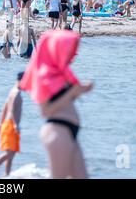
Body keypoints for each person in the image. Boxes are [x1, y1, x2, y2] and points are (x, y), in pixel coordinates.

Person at [20, 30, 94, 179]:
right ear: (57, 49)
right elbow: (45, 111)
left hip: (69, 131)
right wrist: (72, 93)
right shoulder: (44, 74)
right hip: (57, 131)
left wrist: (80, 91)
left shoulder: (61, 72)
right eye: (68, 49)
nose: (72, 53)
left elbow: (66, 99)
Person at [0, 72, 24, 179]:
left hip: (8, 124)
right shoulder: (16, 93)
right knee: (9, 153)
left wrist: (1, 123)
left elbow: (5, 107)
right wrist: (16, 125)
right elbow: (11, 110)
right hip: (11, 125)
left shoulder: (12, 91)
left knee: (12, 154)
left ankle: (7, 175)